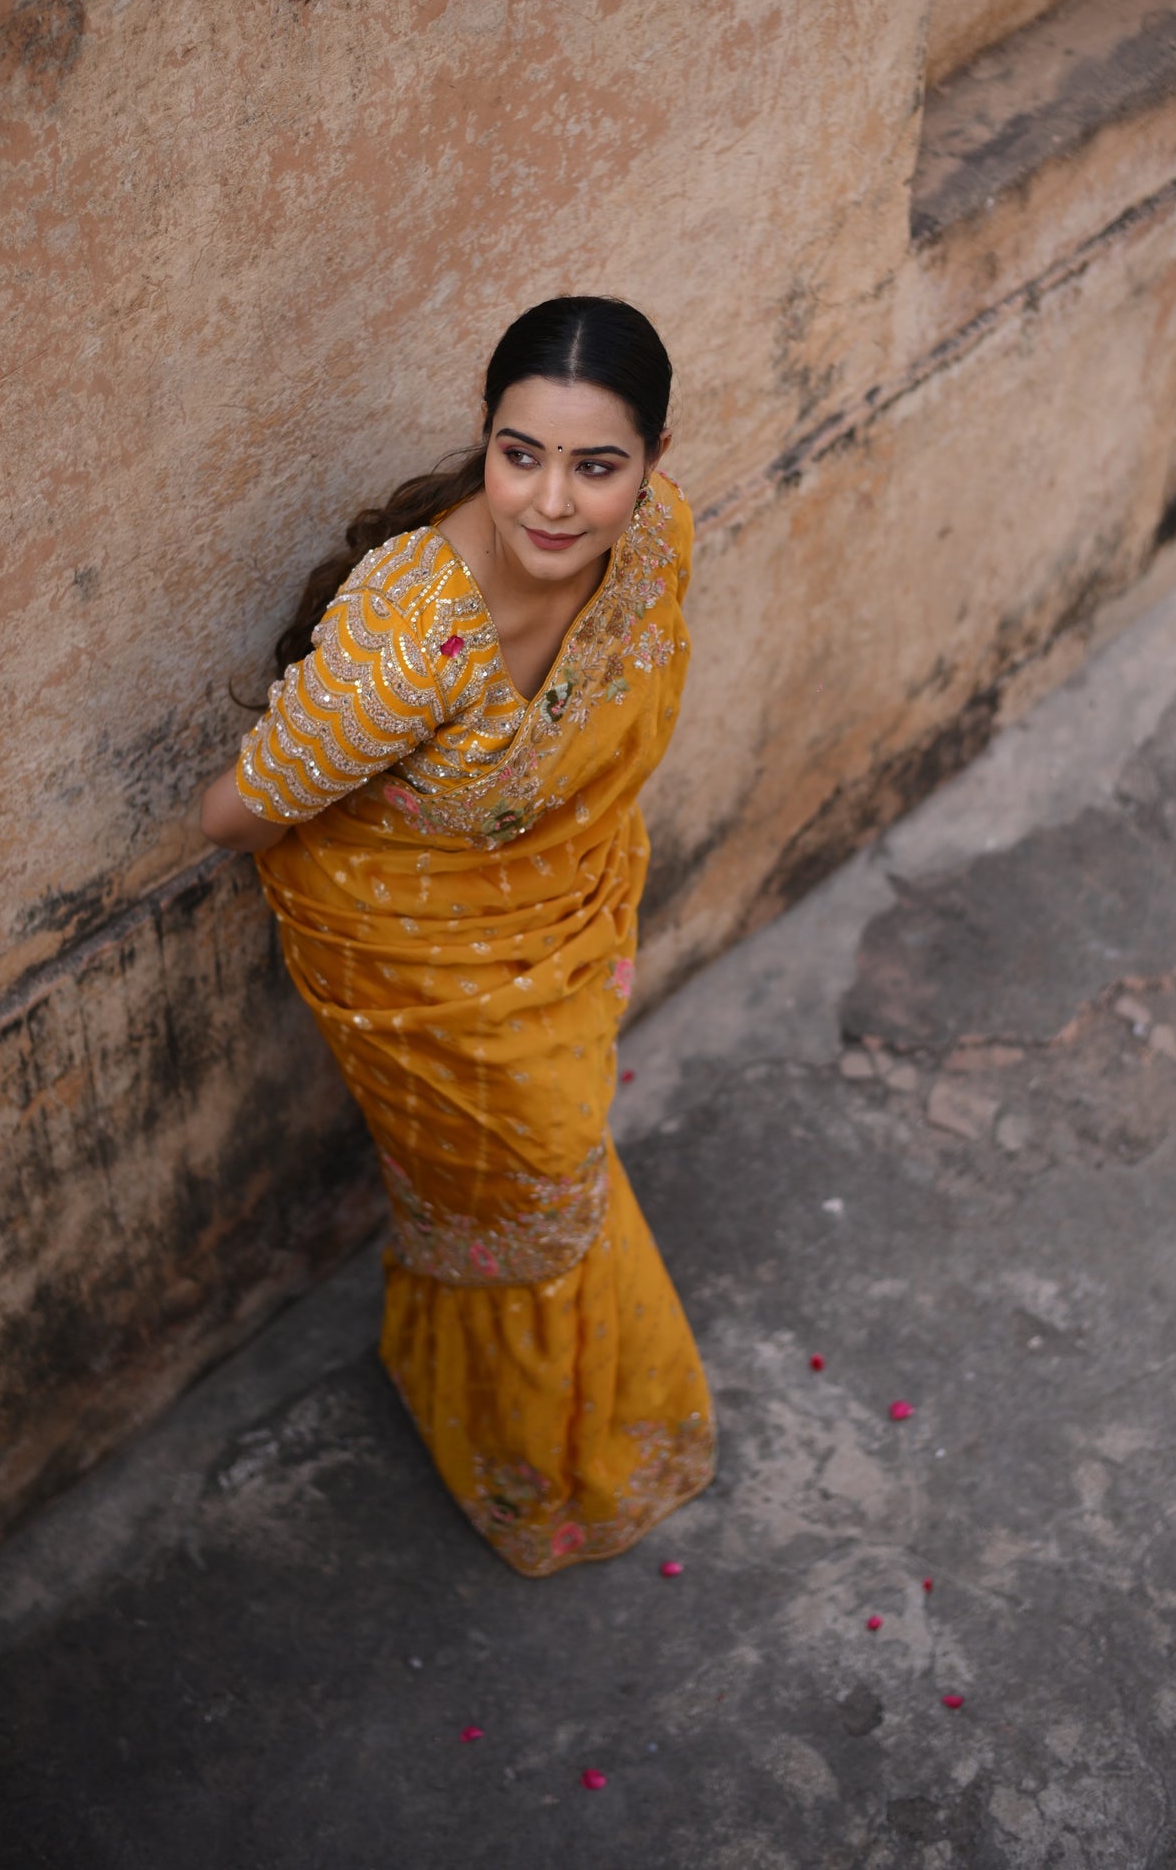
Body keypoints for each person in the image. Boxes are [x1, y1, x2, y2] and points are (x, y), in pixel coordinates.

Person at [198, 295, 715, 1575]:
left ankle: (502, 1391)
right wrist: (412, 879)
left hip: (558, 920)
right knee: (530, 1178)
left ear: (652, 459)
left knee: (544, 1173)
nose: (551, 502)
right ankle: (526, 1451)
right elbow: (232, 816)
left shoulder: (654, 540)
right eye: (518, 454)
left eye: (596, 465)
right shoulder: (407, 641)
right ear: (483, 434)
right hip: (412, 969)